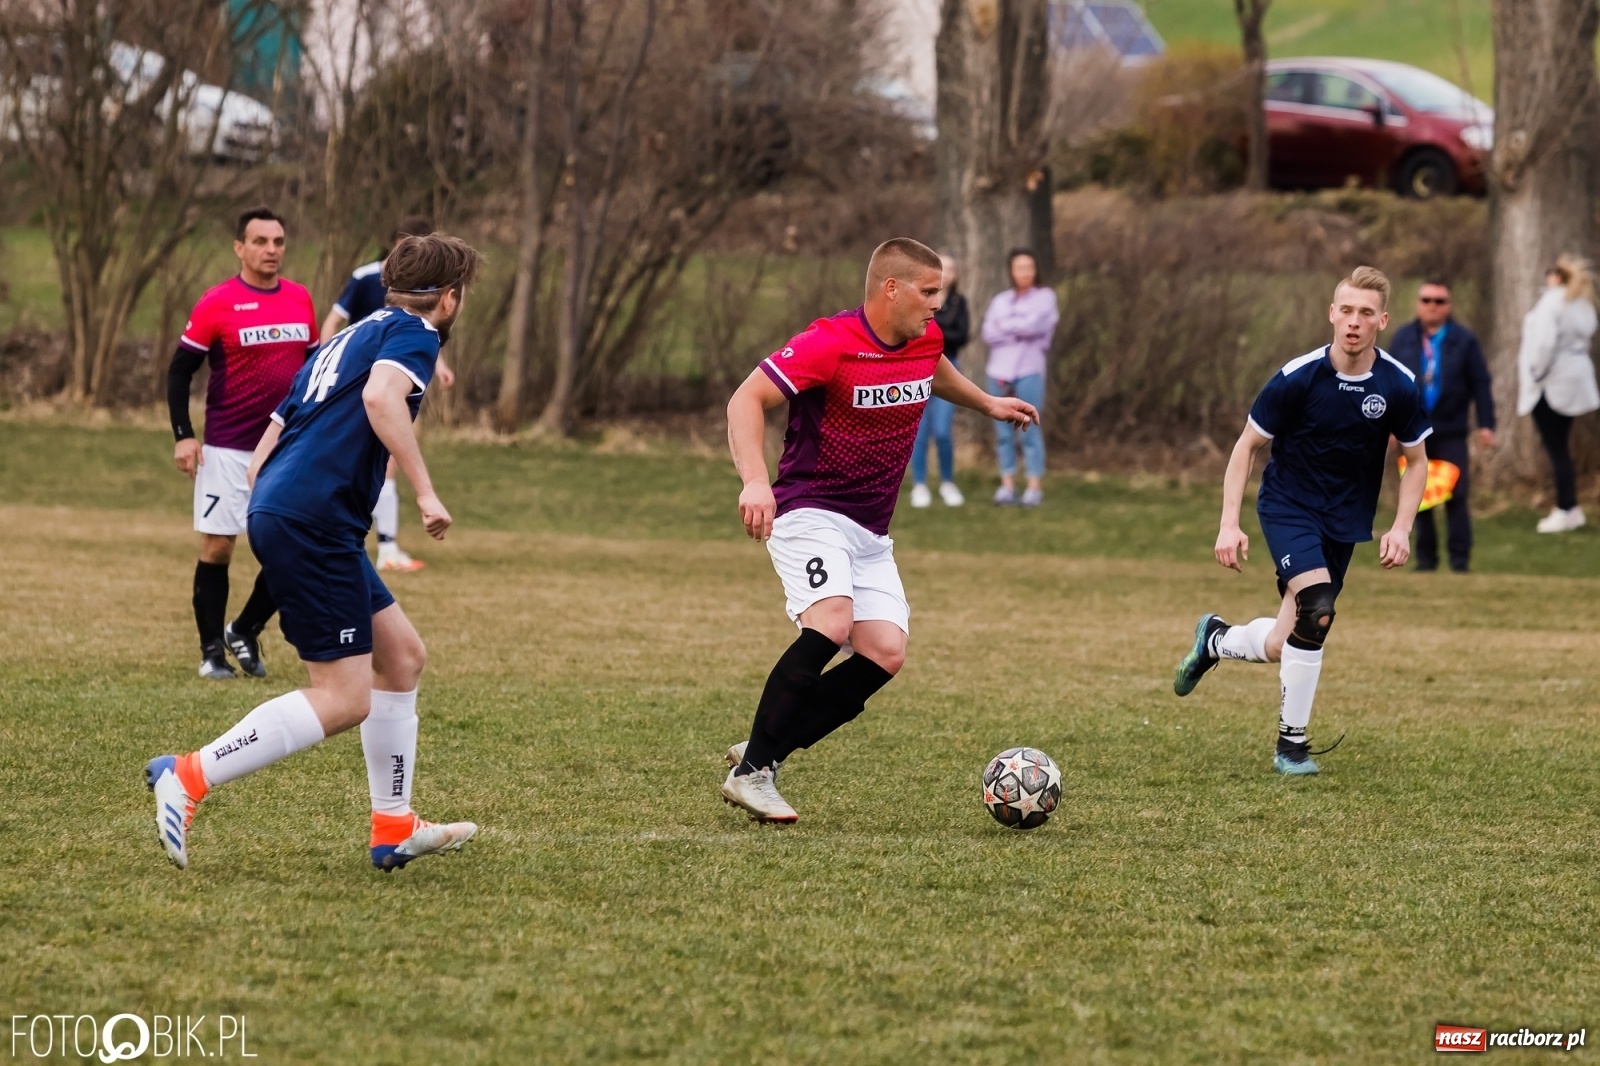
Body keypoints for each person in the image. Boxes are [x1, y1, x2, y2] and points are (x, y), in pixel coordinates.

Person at [145, 232, 483, 872]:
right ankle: (187, 775)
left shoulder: (348, 336)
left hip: (293, 508)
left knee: (402, 658)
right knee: (344, 696)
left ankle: (393, 826)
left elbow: (276, 428)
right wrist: (425, 491)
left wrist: (276, 501)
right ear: (448, 297)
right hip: (314, 518)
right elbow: (381, 399)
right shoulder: (416, 332)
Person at [720, 237, 1039, 823]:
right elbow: (746, 399)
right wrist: (755, 482)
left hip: (870, 529)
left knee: (885, 652)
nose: (938, 303)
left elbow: (933, 369)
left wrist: (987, 403)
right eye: (929, 290)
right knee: (831, 622)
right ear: (891, 288)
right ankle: (753, 772)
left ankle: (768, 743)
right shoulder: (830, 342)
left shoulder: (926, 338)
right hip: (810, 508)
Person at [1172, 266, 1432, 776]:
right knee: (1319, 608)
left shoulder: (1398, 384)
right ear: (1332, 314)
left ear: (1382, 321)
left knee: (1283, 641)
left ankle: (1215, 639)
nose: (1353, 322)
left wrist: (1402, 526)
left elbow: (1417, 459)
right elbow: (1246, 447)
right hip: (1288, 506)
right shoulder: (1298, 377)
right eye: (1346, 311)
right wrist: (1229, 523)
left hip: (1345, 520)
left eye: (1365, 313)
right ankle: (1291, 745)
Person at [167, 206, 319, 680]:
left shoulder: (300, 299)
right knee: (218, 548)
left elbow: (314, 372)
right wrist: (184, 436)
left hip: (286, 449)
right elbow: (179, 371)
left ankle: (245, 628)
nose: (271, 250)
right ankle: (212, 652)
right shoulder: (217, 302)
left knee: (291, 548)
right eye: (260, 241)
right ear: (240, 247)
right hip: (228, 449)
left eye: (278, 242)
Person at [321, 216, 456, 572]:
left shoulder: (420, 288)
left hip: (389, 382)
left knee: (386, 461)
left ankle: (383, 546)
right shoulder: (366, 277)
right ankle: (376, 545)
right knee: (377, 459)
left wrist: (439, 365)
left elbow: (418, 330)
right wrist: (324, 367)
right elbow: (333, 322)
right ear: (398, 243)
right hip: (360, 385)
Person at [1387, 279, 1496, 571]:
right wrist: (1389, 427)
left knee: (1456, 494)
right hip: (1412, 430)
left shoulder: (1464, 340)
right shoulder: (1403, 338)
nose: (1432, 306)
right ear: (1418, 304)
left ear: (1448, 306)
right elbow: (1389, 384)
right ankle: (1425, 560)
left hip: (1451, 430)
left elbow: (1480, 383)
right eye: (1426, 300)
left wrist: (1486, 424)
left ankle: (1459, 560)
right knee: (1418, 496)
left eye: (1439, 301)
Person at [1517, 255, 1599, 534]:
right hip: (1574, 380)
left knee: (1556, 449)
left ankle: (1566, 508)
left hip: (1552, 383)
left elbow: (1543, 344)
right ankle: (1570, 506)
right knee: (1561, 446)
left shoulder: (1552, 302)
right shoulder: (1582, 304)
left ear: (1557, 276)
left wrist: (1535, 373)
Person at [981, 248, 1058, 507]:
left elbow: (1036, 326)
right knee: (1003, 432)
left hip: (1029, 370)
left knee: (1030, 428)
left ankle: (1034, 487)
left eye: (1029, 267)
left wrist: (1007, 325)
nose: (1025, 272)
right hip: (998, 371)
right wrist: (1020, 327)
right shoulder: (1000, 300)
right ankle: (1007, 485)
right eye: (1019, 267)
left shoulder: (1045, 297)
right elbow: (988, 333)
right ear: (1011, 271)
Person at [909, 254, 969, 508]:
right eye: (941, 268)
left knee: (943, 431)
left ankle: (947, 482)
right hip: (918, 368)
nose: (946, 274)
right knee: (920, 431)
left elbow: (961, 335)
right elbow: (914, 331)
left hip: (949, 366)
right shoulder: (919, 298)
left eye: (950, 269)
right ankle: (919, 484)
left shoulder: (959, 302)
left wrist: (936, 328)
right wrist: (943, 328)